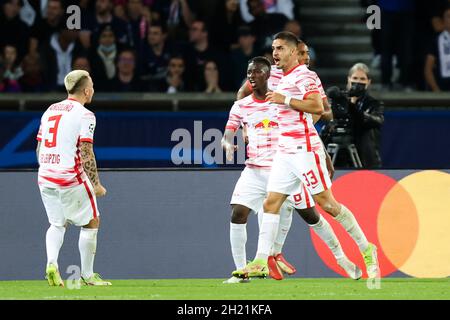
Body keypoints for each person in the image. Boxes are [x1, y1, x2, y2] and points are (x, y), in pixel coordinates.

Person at [235, 32, 380, 280]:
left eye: (280, 49)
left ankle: (366, 248)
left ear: (293, 52)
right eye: (273, 48)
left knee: (327, 205)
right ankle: (261, 260)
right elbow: (244, 93)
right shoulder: (275, 74)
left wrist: (286, 100)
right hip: (284, 152)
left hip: (304, 150)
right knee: (271, 204)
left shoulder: (306, 76)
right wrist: (246, 124)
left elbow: (318, 108)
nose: (275, 54)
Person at [36, 69, 111, 286]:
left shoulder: (50, 109)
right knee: (92, 220)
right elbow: (86, 151)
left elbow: (39, 146)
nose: (93, 90)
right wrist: (96, 184)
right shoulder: (86, 115)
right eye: (93, 86)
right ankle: (88, 275)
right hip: (69, 177)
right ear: (87, 91)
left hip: (45, 175)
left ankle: (52, 264)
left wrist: (47, 168)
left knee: (57, 223)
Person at [347, 63, 384, 168]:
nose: (358, 82)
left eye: (362, 79)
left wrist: (353, 107)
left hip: (366, 158)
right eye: (355, 78)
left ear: (368, 82)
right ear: (349, 79)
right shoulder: (341, 102)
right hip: (342, 156)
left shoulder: (374, 104)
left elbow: (378, 121)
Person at [425, 5, 450, 92]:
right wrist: (436, 90)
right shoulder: (435, 40)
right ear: (443, 21)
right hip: (441, 89)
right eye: (449, 17)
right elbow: (428, 69)